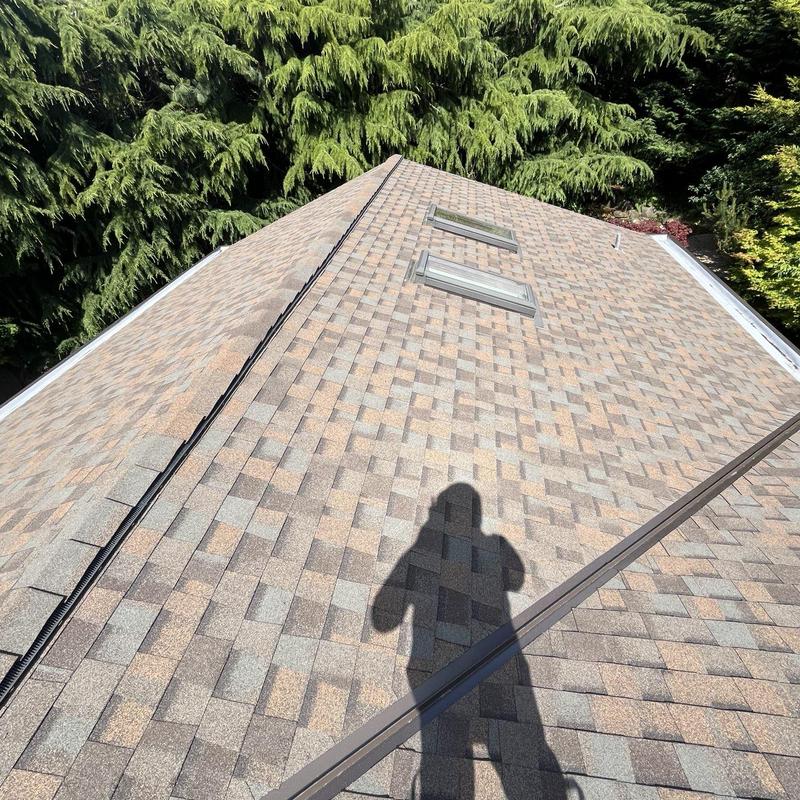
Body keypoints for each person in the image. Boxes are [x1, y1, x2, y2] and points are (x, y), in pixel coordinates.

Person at [372, 483, 568, 799]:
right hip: (503, 667)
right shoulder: (495, 545)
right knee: (523, 755)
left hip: (434, 669)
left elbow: (382, 620)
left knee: (445, 755)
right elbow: (516, 580)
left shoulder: (421, 548)